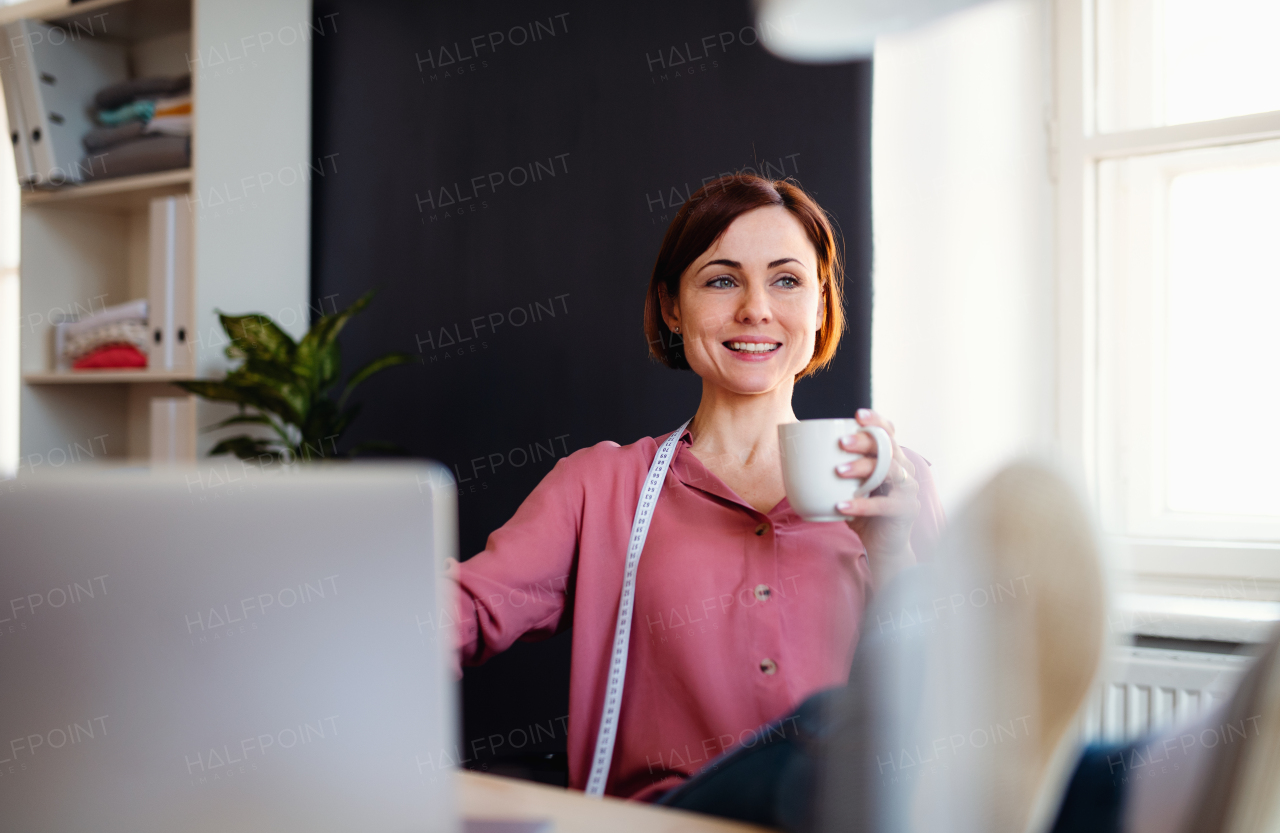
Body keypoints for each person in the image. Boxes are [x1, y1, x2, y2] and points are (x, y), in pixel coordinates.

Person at [444, 173, 945, 799]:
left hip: (844, 815)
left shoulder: (896, 486)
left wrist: (892, 549)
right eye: (722, 279)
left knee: (1094, 775)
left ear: (820, 307)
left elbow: (949, 709)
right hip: (674, 817)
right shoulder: (600, 489)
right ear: (673, 307)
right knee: (822, 735)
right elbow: (460, 615)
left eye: (787, 280)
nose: (756, 308)